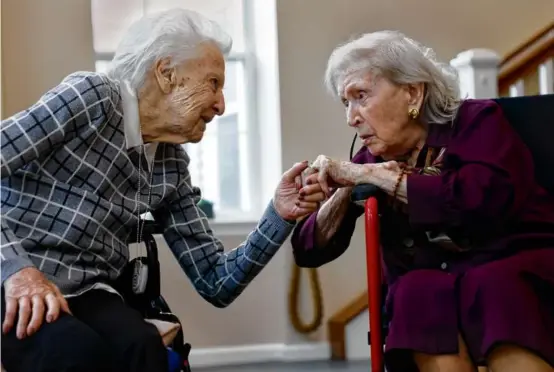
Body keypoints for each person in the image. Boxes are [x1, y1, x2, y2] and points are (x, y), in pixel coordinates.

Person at [0, 9, 325, 372]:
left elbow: (216, 280)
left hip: (89, 292)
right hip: (15, 276)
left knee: (144, 348)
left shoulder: (171, 164)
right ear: (167, 73)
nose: (221, 106)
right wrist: (17, 271)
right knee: (77, 353)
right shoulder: (91, 97)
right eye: (214, 83)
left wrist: (279, 213)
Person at [292, 31, 554, 372]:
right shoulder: (371, 159)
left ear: (413, 93)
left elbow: (475, 202)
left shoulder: (477, 122)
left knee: (494, 285)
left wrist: (377, 177)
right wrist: (346, 186)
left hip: (508, 264)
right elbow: (309, 248)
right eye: (346, 102)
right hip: (433, 282)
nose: (351, 117)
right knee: (415, 292)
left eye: (361, 96)